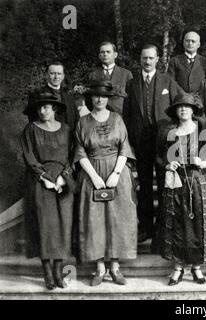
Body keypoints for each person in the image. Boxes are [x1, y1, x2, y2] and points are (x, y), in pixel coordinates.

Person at [75, 80, 137, 286]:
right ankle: (100, 268)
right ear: (90, 98)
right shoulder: (83, 122)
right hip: (92, 174)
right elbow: (80, 152)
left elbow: (124, 148)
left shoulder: (117, 119)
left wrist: (116, 173)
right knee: (95, 221)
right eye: (95, 96)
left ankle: (115, 267)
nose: (99, 99)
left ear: (108, 98)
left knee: (116, 220)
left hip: (116, 174)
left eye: (103, 96)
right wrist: (94, 176)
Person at [123, 44, 184, 243]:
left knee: (166, 183)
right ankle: (146, 227)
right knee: (145, 185)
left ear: (158, 59)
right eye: (144, 58)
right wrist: (129, 141)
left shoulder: (167, 81)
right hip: (140, 141)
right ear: (140, 59)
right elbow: (127, 114)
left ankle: (163, 229)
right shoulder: (132, 84)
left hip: (162, 141)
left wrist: (176, 132)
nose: (147, 61)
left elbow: (180, 104)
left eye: (151, 58)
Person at [156, 93, 206, 286]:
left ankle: (196, 268)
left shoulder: (203, 129)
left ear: (193, 110)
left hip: (197, 180)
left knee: (198, 221)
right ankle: (178, 268)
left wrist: (204, 162)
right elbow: (158, 156)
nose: (183, 109)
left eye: (187, 107)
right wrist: (167, 164)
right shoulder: (168, 131)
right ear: (175, 110)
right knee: (177, 223)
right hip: (175, 182)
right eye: (180, 107)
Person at [21, 92, 75, 290]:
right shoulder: (31, 130)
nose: (42, 111)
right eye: (39, 107)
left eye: (46, 107)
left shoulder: (67, 129)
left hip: (63, 180)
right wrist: (45, 179)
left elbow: (72, 156)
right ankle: (47, 272)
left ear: (55, 109)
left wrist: (64, 176)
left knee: (64, 224)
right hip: (41, 181)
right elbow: (29, 157)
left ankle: (60, 270)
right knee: (45, 225)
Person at [24, 61, 79, 133]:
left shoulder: (69, 97)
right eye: (52, 73)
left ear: (63, 76)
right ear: (46, 75)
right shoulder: (36, 95)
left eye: (59, 74)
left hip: (68, 140)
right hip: (47, 139)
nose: (56, 77)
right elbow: (33, 121)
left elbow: (76, 119)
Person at [89, 42, 133, 115]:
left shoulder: (126, 74)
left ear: (115, 55)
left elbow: (132, 100)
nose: (105, 54)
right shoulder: (93, 75)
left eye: (108, 52)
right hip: (99, 117)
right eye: (102, 52)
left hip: (120, 117)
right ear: (99, 56)